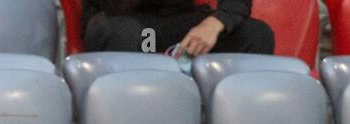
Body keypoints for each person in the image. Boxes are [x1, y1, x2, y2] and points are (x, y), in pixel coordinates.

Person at [83, 0, 275, 56]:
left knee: (256, 35)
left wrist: (214, 24)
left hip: (178, 25)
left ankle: (238, 122)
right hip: (136, 28)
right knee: (124, 33)